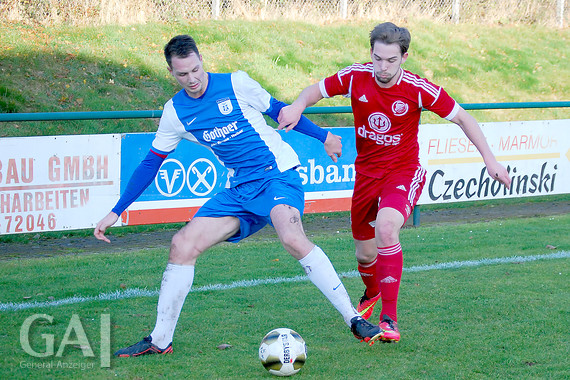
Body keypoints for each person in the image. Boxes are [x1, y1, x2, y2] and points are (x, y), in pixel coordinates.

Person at [94, 34, 384, 357]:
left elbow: (279, 111)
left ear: (201, 60)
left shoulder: (236, 84)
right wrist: (116, 211)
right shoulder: (174, 112)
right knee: (182, 244)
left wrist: (324, 136)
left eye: (195, 70)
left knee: (291, 237)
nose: (191, 79)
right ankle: (160, 341)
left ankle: (354, 319)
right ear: (171, 72)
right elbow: (151, 163)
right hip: (240, 189)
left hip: (277, 175)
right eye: (182, 74)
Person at [278, 22, 512, 343]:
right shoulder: (355, 76)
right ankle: (372, 291)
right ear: (371, 53)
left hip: (403, 171)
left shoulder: (418, 88)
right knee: (363, 254)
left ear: (404, 57)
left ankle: (390, 319)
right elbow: (315, 90)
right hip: (366, 174)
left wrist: (490, 159)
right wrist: (297, 105)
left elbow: (463, 117)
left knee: (386, 229)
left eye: (391, 60)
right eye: (377, 58)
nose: (382, 67)